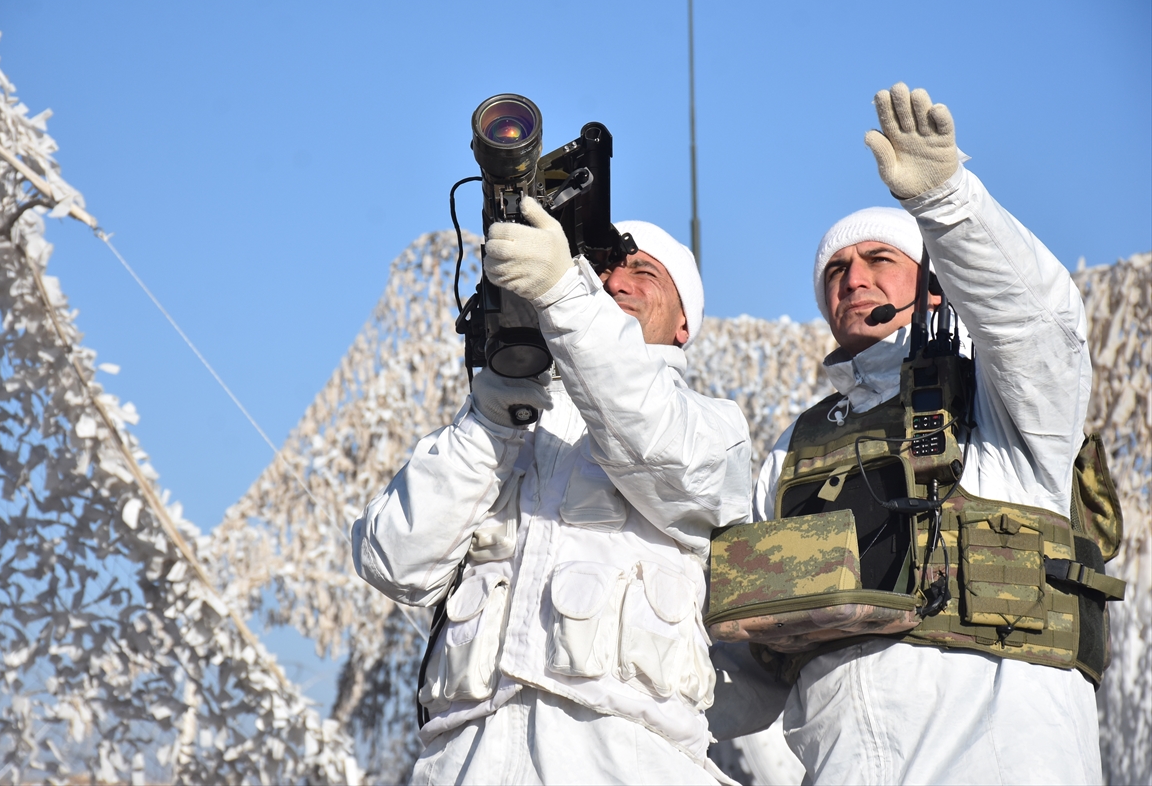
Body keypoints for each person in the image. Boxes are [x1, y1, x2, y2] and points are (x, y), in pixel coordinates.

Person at [742, 83, 1114, 783]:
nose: (853, 279)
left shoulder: (1002, 400)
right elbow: (750, 650)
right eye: (835, 271)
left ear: (934, 285)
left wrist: (946, 203)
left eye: (879, 259)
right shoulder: (796, 450)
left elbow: (1039, 324)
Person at [353, 199, 752, 784]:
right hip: (465, 760)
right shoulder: (500, 423)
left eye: (645, 272)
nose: (616, 281)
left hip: (625, 761)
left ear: (684, 322)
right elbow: (395, 560)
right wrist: (490, 421)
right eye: (599, 271)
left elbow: (659, 451)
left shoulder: (713, 427)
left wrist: (568, 297)